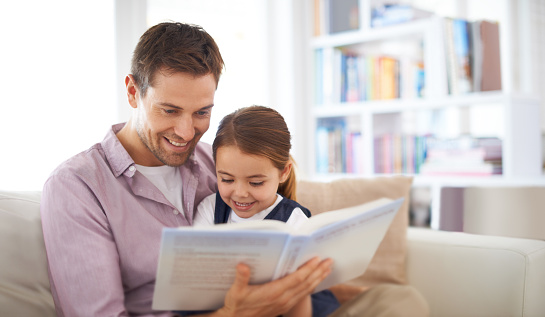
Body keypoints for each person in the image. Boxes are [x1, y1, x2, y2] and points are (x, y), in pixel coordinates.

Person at [41, 21, 429, 317]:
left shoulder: (218, 163)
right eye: (169, 110)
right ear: (133, 92)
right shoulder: (77, 187)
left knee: (399, 300)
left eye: (202, 112)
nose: (185, 131)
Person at [192, 105, 340, 317]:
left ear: (283, 173)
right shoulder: (210, 208)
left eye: (256, 182)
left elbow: (300, 296)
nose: (240, 193)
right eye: (227, 179)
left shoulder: (295, 220)